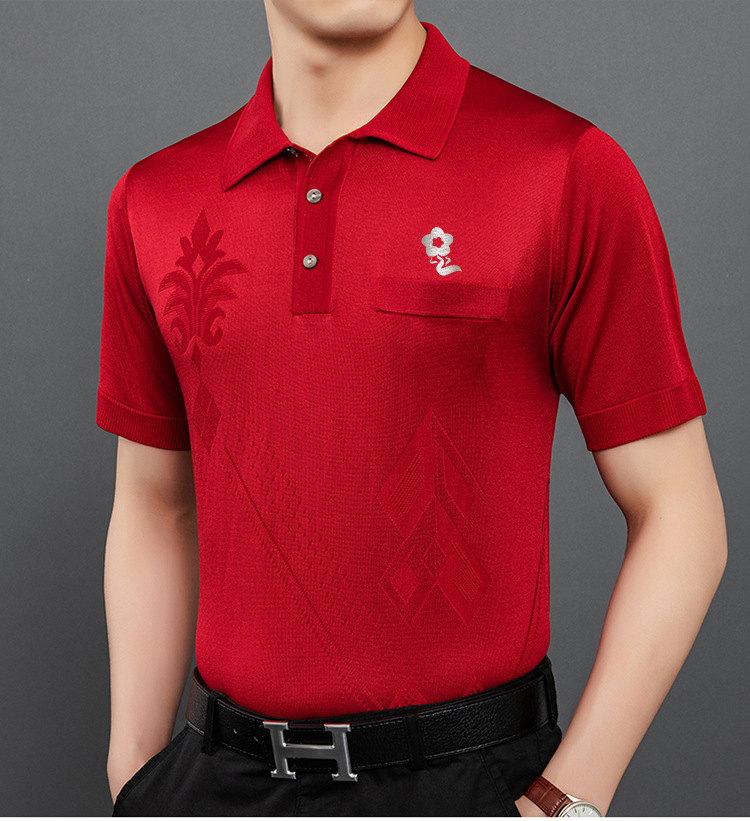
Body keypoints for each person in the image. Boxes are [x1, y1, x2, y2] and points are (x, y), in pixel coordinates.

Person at [97, 1, 727, 816]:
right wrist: (134, 776)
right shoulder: (155, 198)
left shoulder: (564, 168)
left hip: (469, 783)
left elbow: (680, 510)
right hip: (216, 781)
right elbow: (155, 506)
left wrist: (566, 799)